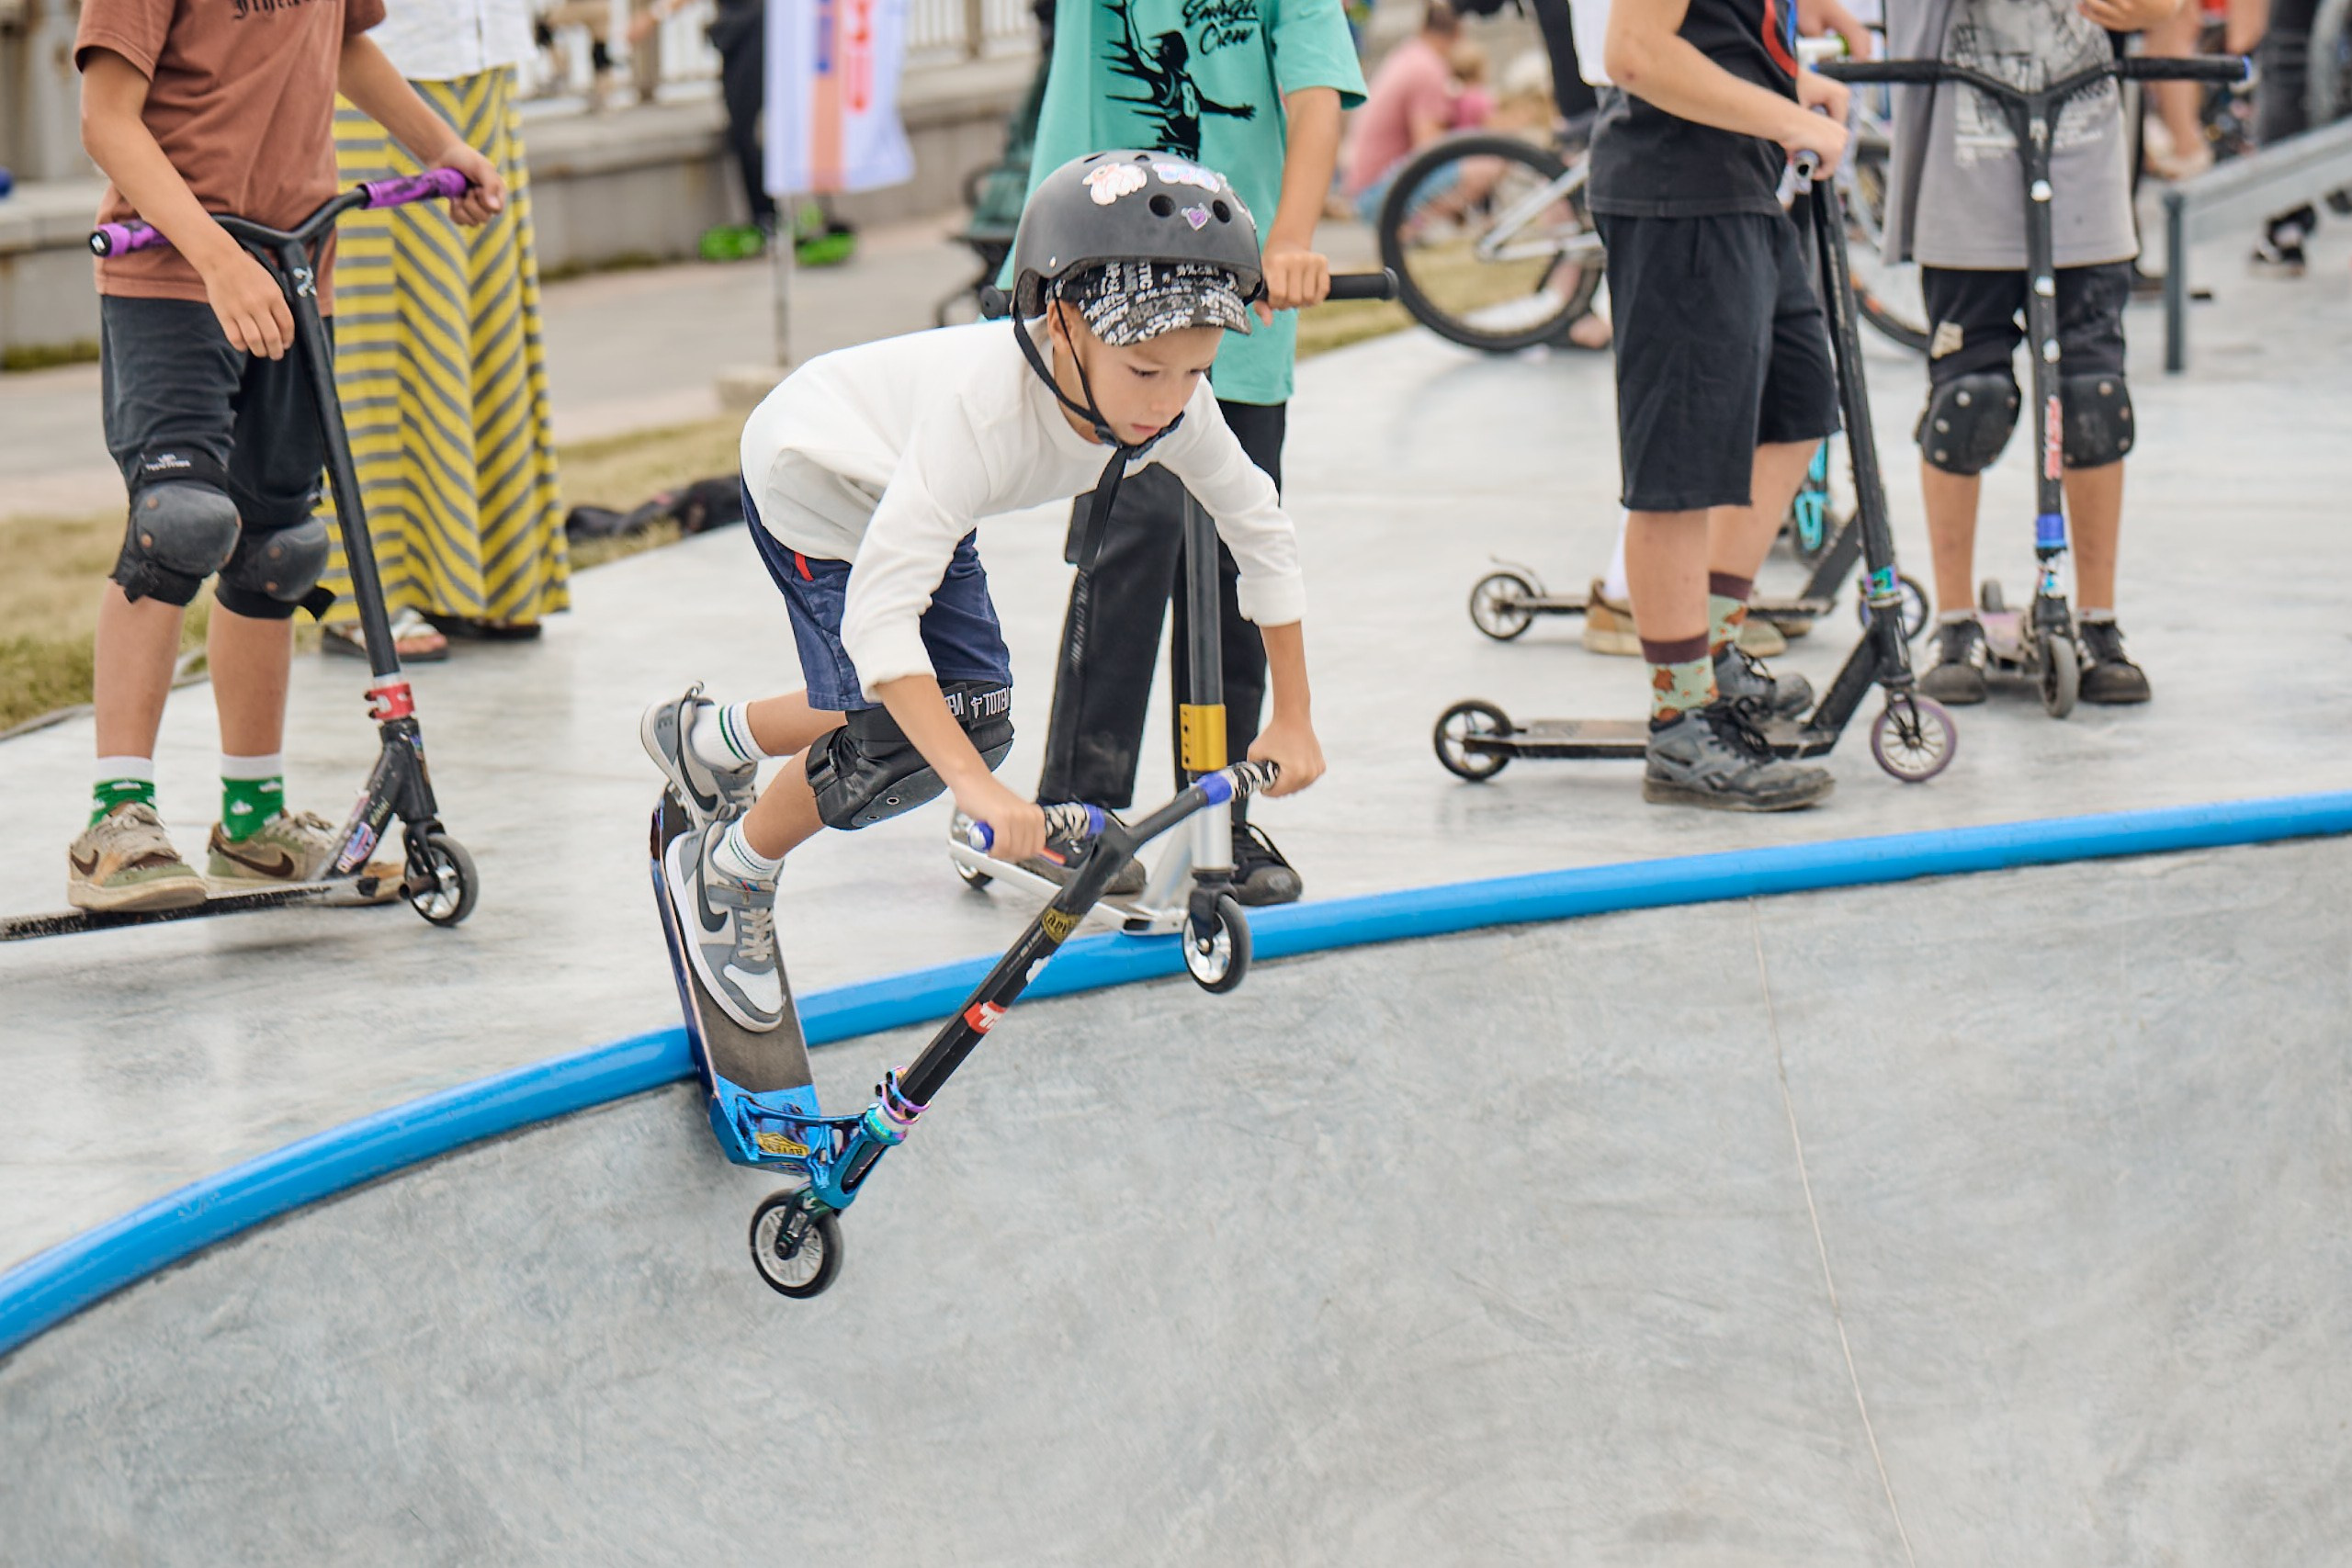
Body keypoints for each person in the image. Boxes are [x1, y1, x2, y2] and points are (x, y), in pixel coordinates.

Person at [641, 153, 1329, 1031]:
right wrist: (975, 790)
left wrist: (1295, 714)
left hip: (907, 487)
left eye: (1195, 371)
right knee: (907, 740)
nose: (1170, 400)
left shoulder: (1175, 406)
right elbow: (881, 617)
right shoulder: (984, 413)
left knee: (974, 713)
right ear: (1064, 323)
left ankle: (709, 736)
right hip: (812, 475)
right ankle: (732, 869)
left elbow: (1260, 530)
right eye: (1147, 372)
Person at [68, 0, 504, 911]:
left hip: (296, 270)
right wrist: (218, 259)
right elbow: (106, 117)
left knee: (278, 548)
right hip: (173, 273)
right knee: (179, 525)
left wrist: (442, 147)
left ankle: (252, 823)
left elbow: (344, 42)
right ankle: (116, 823)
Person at [1012, 0, 1364, 906]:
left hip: (1234, 313)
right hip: (1109, 308)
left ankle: (1217, 808)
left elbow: (1315, 88)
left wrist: (1289, 236)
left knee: (1232, 562)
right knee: (1129, 550)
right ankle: (1075, 812)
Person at [1883, 0, 2183, 705]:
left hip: (2084, 164)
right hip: (1963, 165)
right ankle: (1955, 623)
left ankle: (2097, 619)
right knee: (1967, 400)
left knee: (2093, 398)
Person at [1590, 0, 1849, 810]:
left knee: (1796, 409)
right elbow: (1634, 53)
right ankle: (1679, 719)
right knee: (1681, 468)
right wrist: (1786, 115)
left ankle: (1715, 652)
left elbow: (1716, 38)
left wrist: (1792, 84)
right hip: (1679, 193)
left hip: (1738, 185)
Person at [322, 0, 568, 660]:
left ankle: (486, 577)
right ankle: (358, 594)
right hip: (372, 55)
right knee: (375, 342)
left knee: (483, 319)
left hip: (482, 44)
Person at [1343, 0, 1465, 217]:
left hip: (1363, 187)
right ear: (1458, 32)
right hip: (1381, 194)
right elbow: (1429, 148)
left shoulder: (1408, 54)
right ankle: (1413, 231)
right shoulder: (1429, 69)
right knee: (1488, 162)